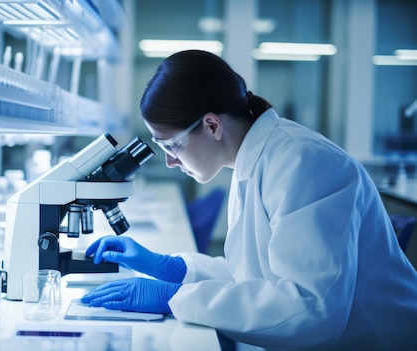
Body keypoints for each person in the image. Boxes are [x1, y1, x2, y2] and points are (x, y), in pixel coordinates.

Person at [81, 50, 417, 350]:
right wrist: (178, 269)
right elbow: (262, 276)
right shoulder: (256, 161)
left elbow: (311, 309)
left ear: (212, 125)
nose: (170, 161)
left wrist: (175, 298)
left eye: (172, 145)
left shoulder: (302, 163)